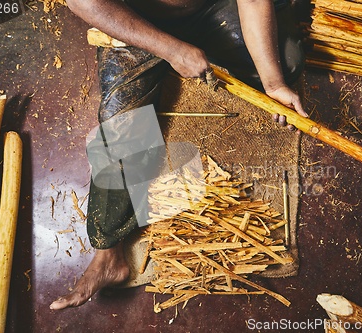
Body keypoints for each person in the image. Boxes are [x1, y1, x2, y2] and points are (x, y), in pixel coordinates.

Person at [50, 0, 308, 310]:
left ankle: (203, 51)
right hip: (140, 19)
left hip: (210, 7)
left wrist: (273, 82)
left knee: (288, 62)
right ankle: (109, 257)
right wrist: (172, 50)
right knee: (120, 127)